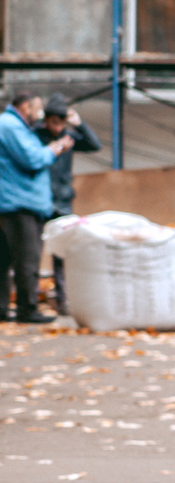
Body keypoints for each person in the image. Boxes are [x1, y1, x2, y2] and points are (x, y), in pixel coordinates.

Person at [0, 91, 73, 323]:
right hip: (19, 205)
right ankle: (27, 309)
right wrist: (55, 148)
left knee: (5, 259)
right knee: (27, 259)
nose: (39, 114)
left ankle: (3, 309)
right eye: (37, 109)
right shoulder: (11, 126)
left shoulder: (16, 127)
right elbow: (32, 159)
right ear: (24, 107)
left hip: (15, 203)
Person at [36, 93, 103, 315]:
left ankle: (63, 300)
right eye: (53, 122)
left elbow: (94, 144)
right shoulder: (36, 135)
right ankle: (32, 299)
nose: (57, 127)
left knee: (62, 252)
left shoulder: (70, 136)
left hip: (63, 200)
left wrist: (80, 123)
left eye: (61, 122)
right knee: (33, 251)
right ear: (46, 120)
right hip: (39, 199)